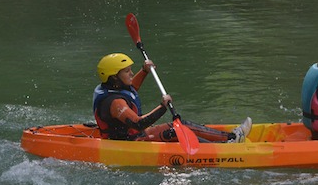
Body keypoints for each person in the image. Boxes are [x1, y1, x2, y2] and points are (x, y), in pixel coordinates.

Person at [93, 53, 251, 143]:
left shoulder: (113, 87)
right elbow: (139, 123)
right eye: (127, 71)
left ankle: (229, 138)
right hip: (129, 143)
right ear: (114, 77)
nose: (131, 73)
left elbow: (131, 90)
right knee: (175, 133)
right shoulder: (115, 103)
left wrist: (145, 71)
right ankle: (225, 149)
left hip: (135, 135)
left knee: (182, 124)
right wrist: (162, 107)